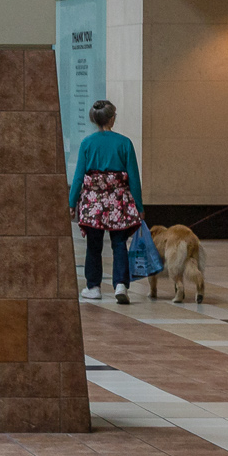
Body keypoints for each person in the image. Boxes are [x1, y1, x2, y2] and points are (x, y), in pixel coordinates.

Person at [70, 99, 144, 304]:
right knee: (119, 243)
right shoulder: (124, 143)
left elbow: (78, 176)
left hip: (93, 202)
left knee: (93, 245)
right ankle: (120, 284)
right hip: (118, 201)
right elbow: (134, 177)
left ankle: (93, 287)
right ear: (112, 119)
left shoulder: (87, 143)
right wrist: (139, 205)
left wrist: (71, 201)